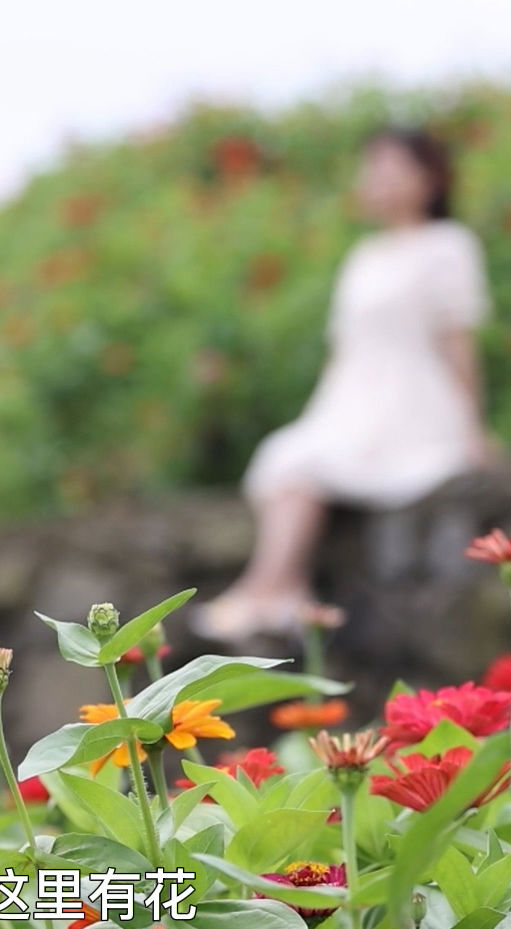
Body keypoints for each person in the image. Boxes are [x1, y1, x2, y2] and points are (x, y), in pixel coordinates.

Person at [191, 127, 493, 643]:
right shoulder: (365, 256)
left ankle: (269, 589)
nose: (376, 182)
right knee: (289, 455)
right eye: (371, 171)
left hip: (415, 404)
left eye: (391, 171)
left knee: (306, 464)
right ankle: (279, 588)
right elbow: (344, 349)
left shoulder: (448, 246)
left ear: (428, 179)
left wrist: (473, 425)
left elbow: (457, 342)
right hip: (353, 399)